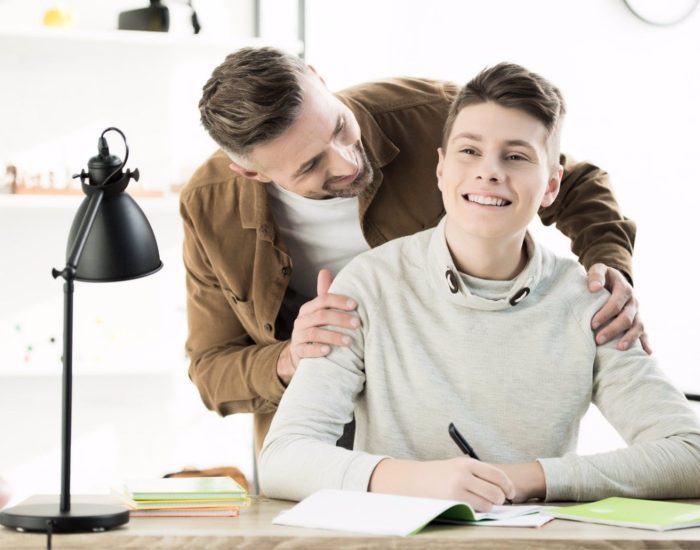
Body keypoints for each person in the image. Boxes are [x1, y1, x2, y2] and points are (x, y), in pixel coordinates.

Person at [258, 63, 700, 508]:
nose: (489, 172)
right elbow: (283, 457)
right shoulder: (367, 285)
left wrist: (526, 479)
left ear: (550, 186)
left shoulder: (588, 302)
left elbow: (691, 453)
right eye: (469, 151)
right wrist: (416, 480)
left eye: (516, 156)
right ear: (440, 169)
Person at [182, 47, 646, 453]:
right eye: (310, 165)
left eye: (339, 127)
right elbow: (211, 368)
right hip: (318, 428)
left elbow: (571, 180)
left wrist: (610, 266)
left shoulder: (434, 115)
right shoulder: (209, 205)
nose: (346, 161)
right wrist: (289, 359)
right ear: (251, 173)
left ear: (319, 79)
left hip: (449, 410)